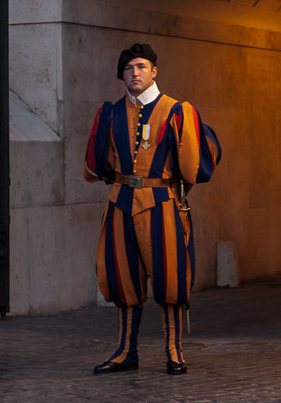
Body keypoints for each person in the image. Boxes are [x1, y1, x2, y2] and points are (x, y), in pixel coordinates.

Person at [83, 43, 221, 375]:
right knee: (123, 280)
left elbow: (193, 168)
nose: (135, 73)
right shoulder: (111, 112)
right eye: (130, 68)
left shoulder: (177, 111)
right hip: (120, 203)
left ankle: (174, 351)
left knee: (170, 279)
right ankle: (125, 352)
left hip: (162, 204)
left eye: (142, 67)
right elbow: (94, 166)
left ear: (154, 71)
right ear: (123, 74)